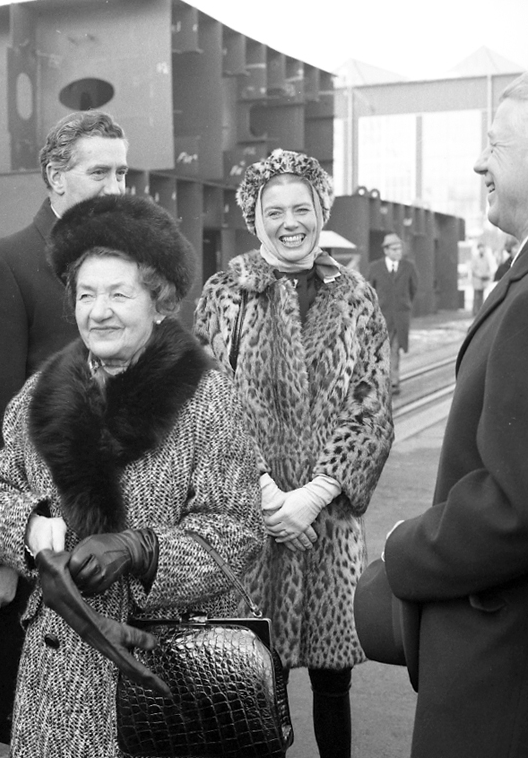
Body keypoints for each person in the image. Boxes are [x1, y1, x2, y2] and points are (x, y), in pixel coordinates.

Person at [0, 193, 264, 757]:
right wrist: (34, 531)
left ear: (160, 304)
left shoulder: (207, 398)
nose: (98, 311)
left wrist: (141, 550)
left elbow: (237, 532)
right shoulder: (40, 393)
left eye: (118, 294)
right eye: (86, 295)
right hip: (57, 677)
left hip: (161, 677)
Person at [194, 148, 394, 758]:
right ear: (254, 217)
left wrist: (315, 495)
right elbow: (207, 402)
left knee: (335, 684)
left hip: (329, 524)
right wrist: (267, 496)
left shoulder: (356, 296)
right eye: (274, 210)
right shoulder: (226, 292)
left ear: (321, 211)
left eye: (301, 208)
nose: (289, 222)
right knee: (260, 680)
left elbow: (371, 405)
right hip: (250, 524)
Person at [0, 109, 129, 742]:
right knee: (41, 729)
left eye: (122, 173)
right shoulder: (6, 263)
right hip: (41, 557)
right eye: (99, 172)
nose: (116, 187)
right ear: (56, 177)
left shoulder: (134, 264)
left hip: (122, 550)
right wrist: (1, 555)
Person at [380, 71, 528, 758]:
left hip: (499, 667)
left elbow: (514, 508)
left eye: (495, 145)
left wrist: (403, 549)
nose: (477, 163)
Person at [366, 232, 419, 394]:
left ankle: (393, 382)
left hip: (400, 317)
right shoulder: (375, 268)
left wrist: (404, 306)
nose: (398, 252)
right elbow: (368, 292)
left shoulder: (408, 267)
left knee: (395, 348)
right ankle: (381, 382)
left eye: (400, 249)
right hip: (380, 317)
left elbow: (413, 289)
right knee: (380, 350)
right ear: (386, 250)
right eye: (394, 249)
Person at [469, 240, 495, 315]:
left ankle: (479, 311)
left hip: (483, 281)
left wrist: (487, 274)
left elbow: (489, 267)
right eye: (480, 248)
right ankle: (475, 311)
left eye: (483, 247)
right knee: (476, 296)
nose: (482, 249)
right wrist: (480, 275)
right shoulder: (475, 258)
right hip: (477, 280)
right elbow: (473, 269)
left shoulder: (486, 258)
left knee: (481, 296)